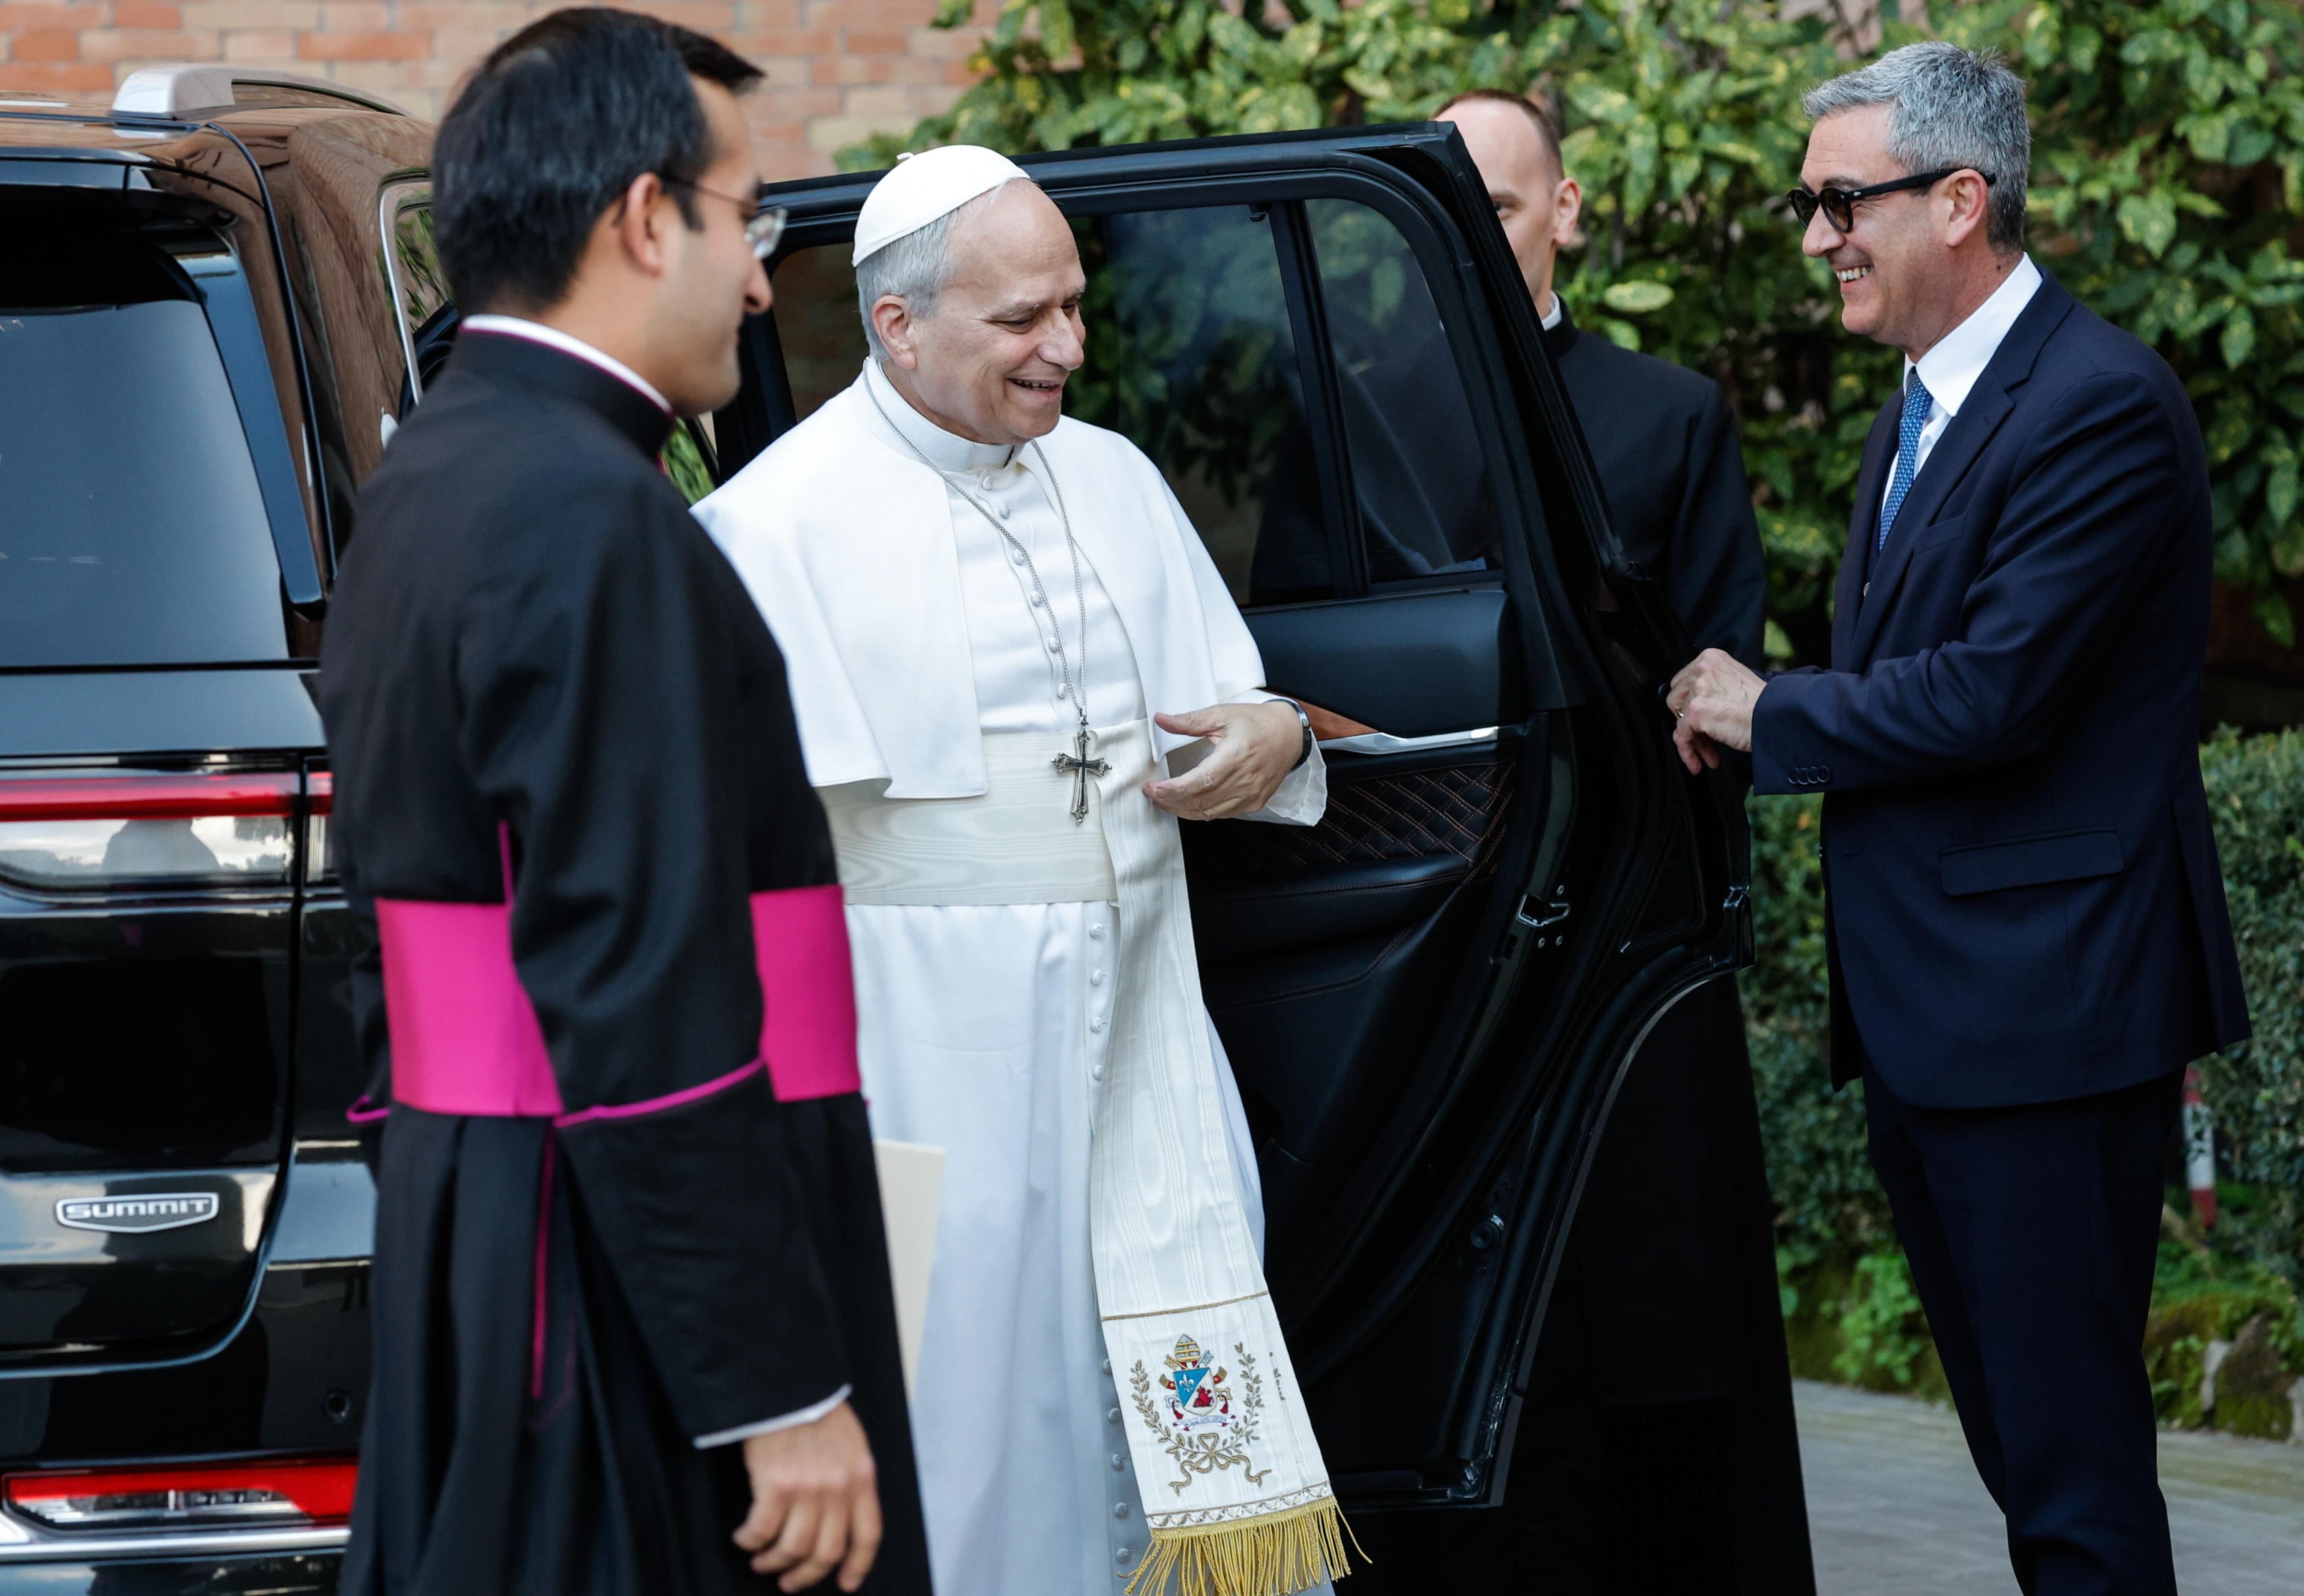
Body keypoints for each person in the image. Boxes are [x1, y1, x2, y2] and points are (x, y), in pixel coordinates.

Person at [320, 12, 928, 1594]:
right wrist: (777, 1384)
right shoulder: (590, 513)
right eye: (748, 222)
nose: (755, 276)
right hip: (613, 1265)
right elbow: (640, 977)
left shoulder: (439, 471)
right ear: (645, 217)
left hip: (500, 1215)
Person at [697, 147, 1351, 1596]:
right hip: (927, 1076)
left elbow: (1242, 711)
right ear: (898, 326)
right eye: (1020, 319)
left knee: (1160, 1408)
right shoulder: (770, 528)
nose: (1065, 346)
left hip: (1145, 1042)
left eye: (1072, 305)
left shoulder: (1111, 474)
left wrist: (1274, 729)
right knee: (971, 1442)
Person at [1671, 42, 2252, 1596]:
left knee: (2069, 1471)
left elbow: (1991, 696)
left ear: (1962, 200)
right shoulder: (1915, 407)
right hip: (1943, 1022)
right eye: (1814, 203)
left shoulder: (2100, 404)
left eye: (1842, 200)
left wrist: (1766, 709)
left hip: (2051, 1021)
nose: (1818, 235)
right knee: (2018, 1447)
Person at [1349, 87, 1811, 1596]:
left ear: (1566, 212)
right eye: (1447, 204)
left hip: (1619, 965)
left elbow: (1717, 692)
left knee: (1651, 1342)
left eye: (1498, 200)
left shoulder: (1667, 410)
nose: (1475, 232)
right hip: (1424, 970)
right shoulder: (1351, 416)